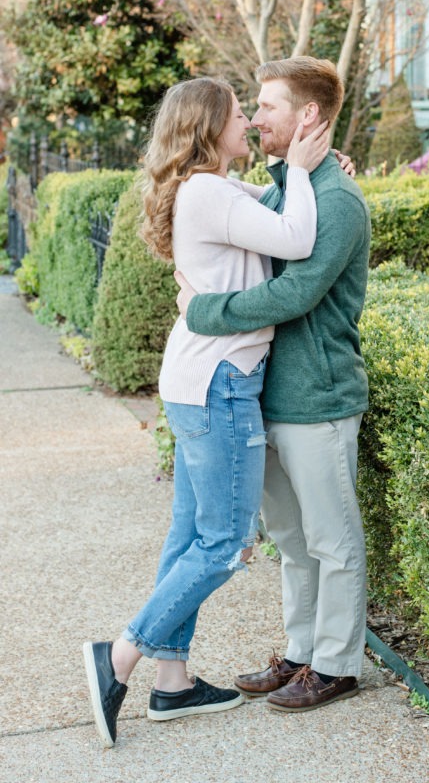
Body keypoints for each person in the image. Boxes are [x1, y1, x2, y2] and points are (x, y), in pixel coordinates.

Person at [83, 75, 332, 748]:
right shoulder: (207, 194)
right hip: (220, 386)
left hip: (196, 381)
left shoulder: (210, 190)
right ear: (209, 126)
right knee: (224, 544)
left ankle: (173, 682)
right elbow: (298, 237)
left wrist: (306, 172)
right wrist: (306, 171)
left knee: (190, 536)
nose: (249, 119)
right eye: (238, 113)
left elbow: (272, 202)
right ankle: (123, 657)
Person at [175, 56, 371, 713]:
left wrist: (205, 312)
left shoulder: (336, 200)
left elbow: (297, 290)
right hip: (266, 395)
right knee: (292, 539)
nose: (255, 117)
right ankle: (300, 651)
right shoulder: (293, 187)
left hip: (317, 398)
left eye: (267, 106)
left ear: (308, 115)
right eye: (252, 109)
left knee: (333, 539)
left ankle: (338, 663)